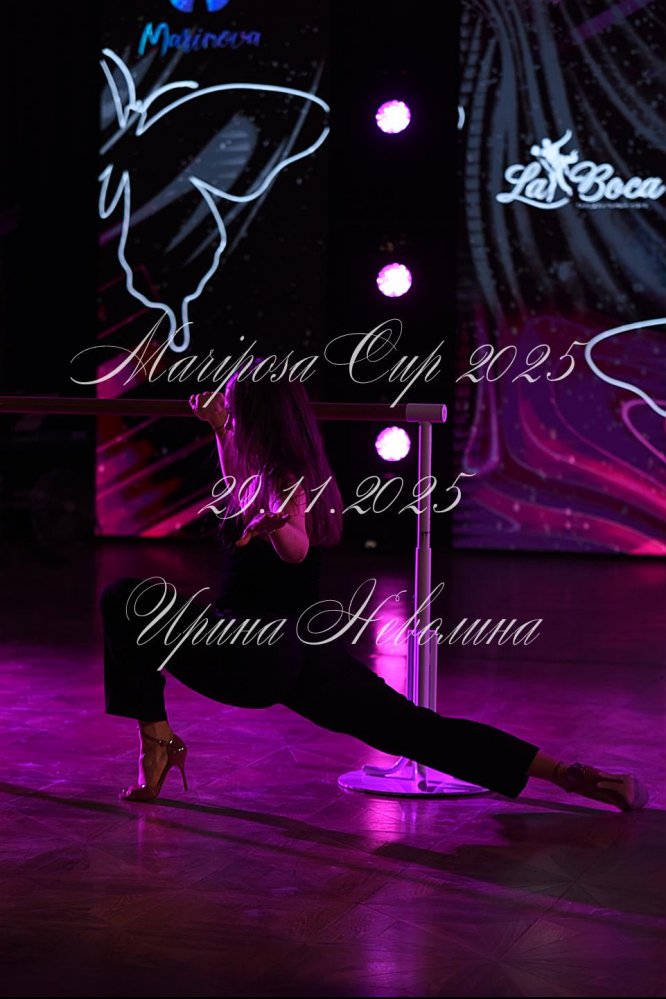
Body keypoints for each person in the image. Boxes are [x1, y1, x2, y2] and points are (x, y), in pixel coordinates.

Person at [100, 368, 649, 811]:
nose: (223, 405)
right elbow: (245, 483)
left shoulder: (284, 482)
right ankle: (577, 775)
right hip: (300, 653)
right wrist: (220, 431)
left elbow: (294, 545)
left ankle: (157, 740)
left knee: (124, 598)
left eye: (231, 401)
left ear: (256, 414)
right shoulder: (287, 467)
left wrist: (278, 527)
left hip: (247, 650)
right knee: (414, 729)